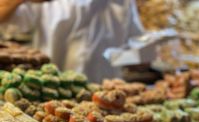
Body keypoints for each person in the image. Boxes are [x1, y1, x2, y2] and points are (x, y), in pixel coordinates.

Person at [0, 0, 144, 82]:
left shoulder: (123, 2)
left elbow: (136, 49)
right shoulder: (49, 3)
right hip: (52, 88)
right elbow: (4, 17)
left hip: (105, 92)